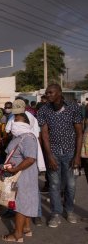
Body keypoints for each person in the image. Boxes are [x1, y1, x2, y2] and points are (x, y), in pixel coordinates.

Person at [38, 84, 83, 228]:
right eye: (46, 93)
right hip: (54, 153)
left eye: (50, 92)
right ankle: (55, 213)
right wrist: (49, 156)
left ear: (59, 93)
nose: (48, 95)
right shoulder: (43, 110)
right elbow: (44, 135)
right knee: (55, 184)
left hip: (70, 153)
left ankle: (69, 210)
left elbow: (79, 133)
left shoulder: (73, 108)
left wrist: (77, 156)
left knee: (70, 185)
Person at [2, 112, 39, 243]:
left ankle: (17, 235)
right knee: (25, 201)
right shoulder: (19, 137)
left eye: (17, 120)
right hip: (20, 174)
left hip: (24, 175)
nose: (13, 123)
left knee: (21, 203)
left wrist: (16, 169)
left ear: (25, 123)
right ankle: (26, 228)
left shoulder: (28, 138)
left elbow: (30, 159)